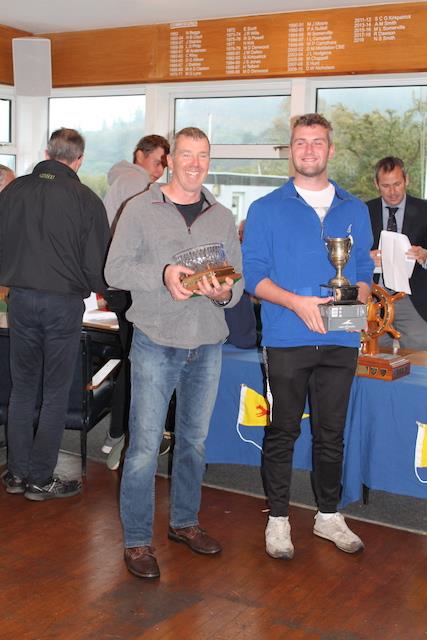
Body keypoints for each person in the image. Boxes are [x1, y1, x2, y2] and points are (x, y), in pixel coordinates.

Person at [105, 126, 243, 579]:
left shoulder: (221, 214)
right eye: (186, 154)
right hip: (155, 341)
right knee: (144, 447)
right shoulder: (139, 207)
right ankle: (138, 541)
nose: (195, 163)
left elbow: (235, 281)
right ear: (169, 160)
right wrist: (164, 274)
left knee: (195, 443)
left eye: (203, 155)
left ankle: (185, 522)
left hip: (206, 343)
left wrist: (222, 294)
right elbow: (115, 268)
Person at [243, 113, 373, 560]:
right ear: (291, 151)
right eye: (301, 143)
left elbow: (361, 275)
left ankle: (328, 515)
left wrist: (360, 301)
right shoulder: (265, 209)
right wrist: (297, 303)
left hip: (340, 340)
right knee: (282, 432)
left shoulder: (355, 209)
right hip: (285, 338)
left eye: (318, 143)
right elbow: (253, 278)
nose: (310, 150)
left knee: (331, 433)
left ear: (330, 150)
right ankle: (278, 519)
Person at [0, 128, 110, 501]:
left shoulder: (13, 191)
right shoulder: (86, 200)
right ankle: (40, 478)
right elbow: (100, 268)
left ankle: (16, 473)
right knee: (54, 393)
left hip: (20, 300)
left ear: (47, 152)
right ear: (79, 159)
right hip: (62, 305)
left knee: (22, 388)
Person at [102, 134, 170, 469]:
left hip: (117, 284)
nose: (161, 170)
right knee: (140, 364)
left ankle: (116, 435)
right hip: (134, 285)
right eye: (158, 160)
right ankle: (127, 439)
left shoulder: (120, 181)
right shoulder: (137, 183)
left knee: (131, 361)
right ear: (140, 155)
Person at [367, 156, 427, 351]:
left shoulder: (425, 210)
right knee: (374, 353)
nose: (392, 192)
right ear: (376, 184)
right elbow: (351, 251)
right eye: (385, 186)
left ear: (406, 180)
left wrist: (425, 255)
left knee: (420, 350)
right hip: (375, 296)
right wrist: (367, 258)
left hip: (412, 298)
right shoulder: (364, 211)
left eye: (397, 184)